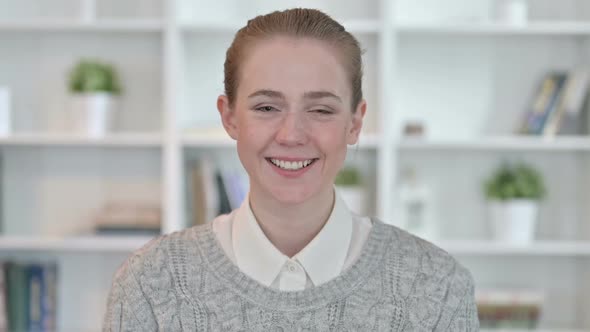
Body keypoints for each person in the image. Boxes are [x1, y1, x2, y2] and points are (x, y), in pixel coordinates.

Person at [103, 8, 479, 331]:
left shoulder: (436, 286)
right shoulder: (150, 283)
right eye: (267, 107)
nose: (291, 134)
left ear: (355, 122)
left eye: (320, 110)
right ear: (229, 117)